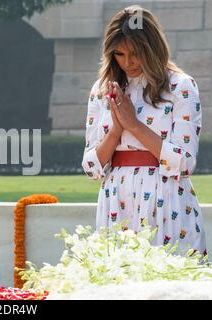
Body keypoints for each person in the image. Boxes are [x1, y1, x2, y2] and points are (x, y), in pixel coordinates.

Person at [81, 5, 207, 257]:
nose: (128, 62)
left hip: (166, 198)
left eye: (136, 53)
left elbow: (183, 162)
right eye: (119, 54)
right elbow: (91, 167)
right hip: (117, 198)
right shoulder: (102, 89)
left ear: (152, 47)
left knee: (170, 287)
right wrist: (116, 130)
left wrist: (134, 125)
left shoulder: (180, 86)